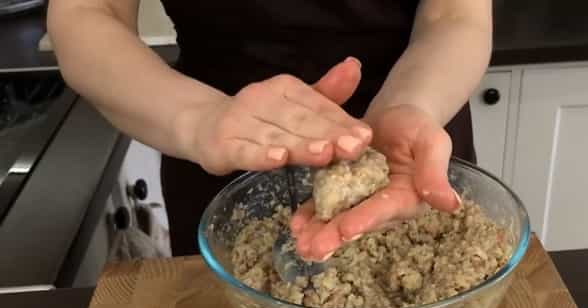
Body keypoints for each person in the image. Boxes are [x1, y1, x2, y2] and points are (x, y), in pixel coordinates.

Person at [48, 0, 492, 261]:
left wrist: (409, 105)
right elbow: (88, 14)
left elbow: (454, 16)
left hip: (408, 152)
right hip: (223, 149)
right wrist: (200, 119)